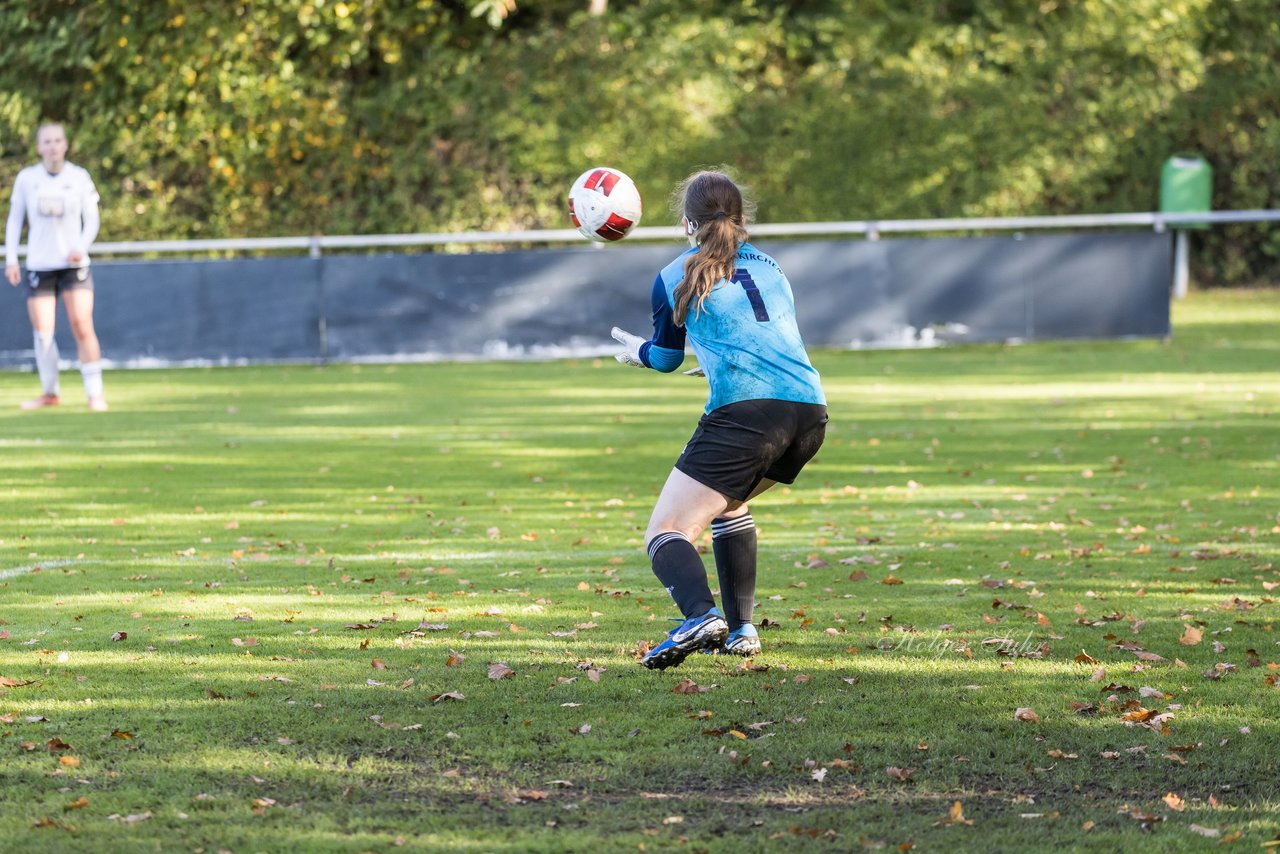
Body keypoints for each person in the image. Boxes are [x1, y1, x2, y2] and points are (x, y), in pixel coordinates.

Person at [610, 169, 828, 670]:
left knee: (665, 532)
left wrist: (639, 353)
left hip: (748, 417)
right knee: (727, 506)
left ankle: (700, 616)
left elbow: (664, 358)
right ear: (741, 218)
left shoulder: (674, 274)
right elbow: (762, 335)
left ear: (688, 223)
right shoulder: (772, 267)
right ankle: (743, 629)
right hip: (809, 414)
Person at [5, 122, 107, 411]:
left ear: (65, 144)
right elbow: (15, 220)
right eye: (46, 141)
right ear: (39, 147)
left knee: (82, 324)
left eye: (57, 140)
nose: (52, 146)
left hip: (72, 265)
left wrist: (81, 247)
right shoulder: (27, 179)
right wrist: (12, 258)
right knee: (43, 331)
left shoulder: (79, 177)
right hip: (40, 263)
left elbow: (93, 219)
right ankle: (50, 392)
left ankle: (95, 394)